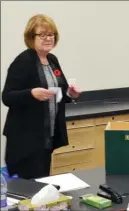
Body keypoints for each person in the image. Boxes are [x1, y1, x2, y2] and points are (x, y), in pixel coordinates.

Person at [2, 14, 81, 179]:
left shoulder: (52, 61)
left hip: (47, 137)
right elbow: (7, 97)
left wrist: (70, 94)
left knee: (44, 183)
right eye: (42, 35)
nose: (48, 38)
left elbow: (58, 91)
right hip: (26, 141)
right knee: (31, 190)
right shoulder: (23, 61)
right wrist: (31, 94)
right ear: (32, 37)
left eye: (51, 34)